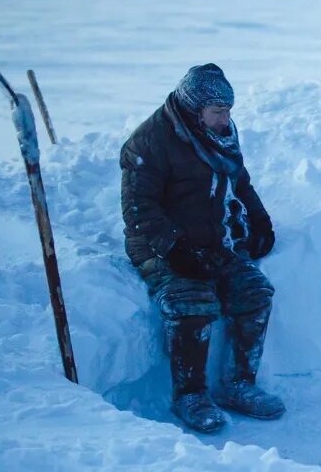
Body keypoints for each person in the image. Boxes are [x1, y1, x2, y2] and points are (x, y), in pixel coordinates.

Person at [119, 64, 284, 433]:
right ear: (195, 110)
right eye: (218, 112)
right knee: (193, 303)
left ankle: (239, 383)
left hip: (211, 240)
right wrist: (174, 249)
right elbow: (139, 208)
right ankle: (190, 395)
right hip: (160, 245)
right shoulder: (148, 143)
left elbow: (239, 180)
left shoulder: (220, 135)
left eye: (228, 112)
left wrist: (260, 222)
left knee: (255, 292)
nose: (226, 120)